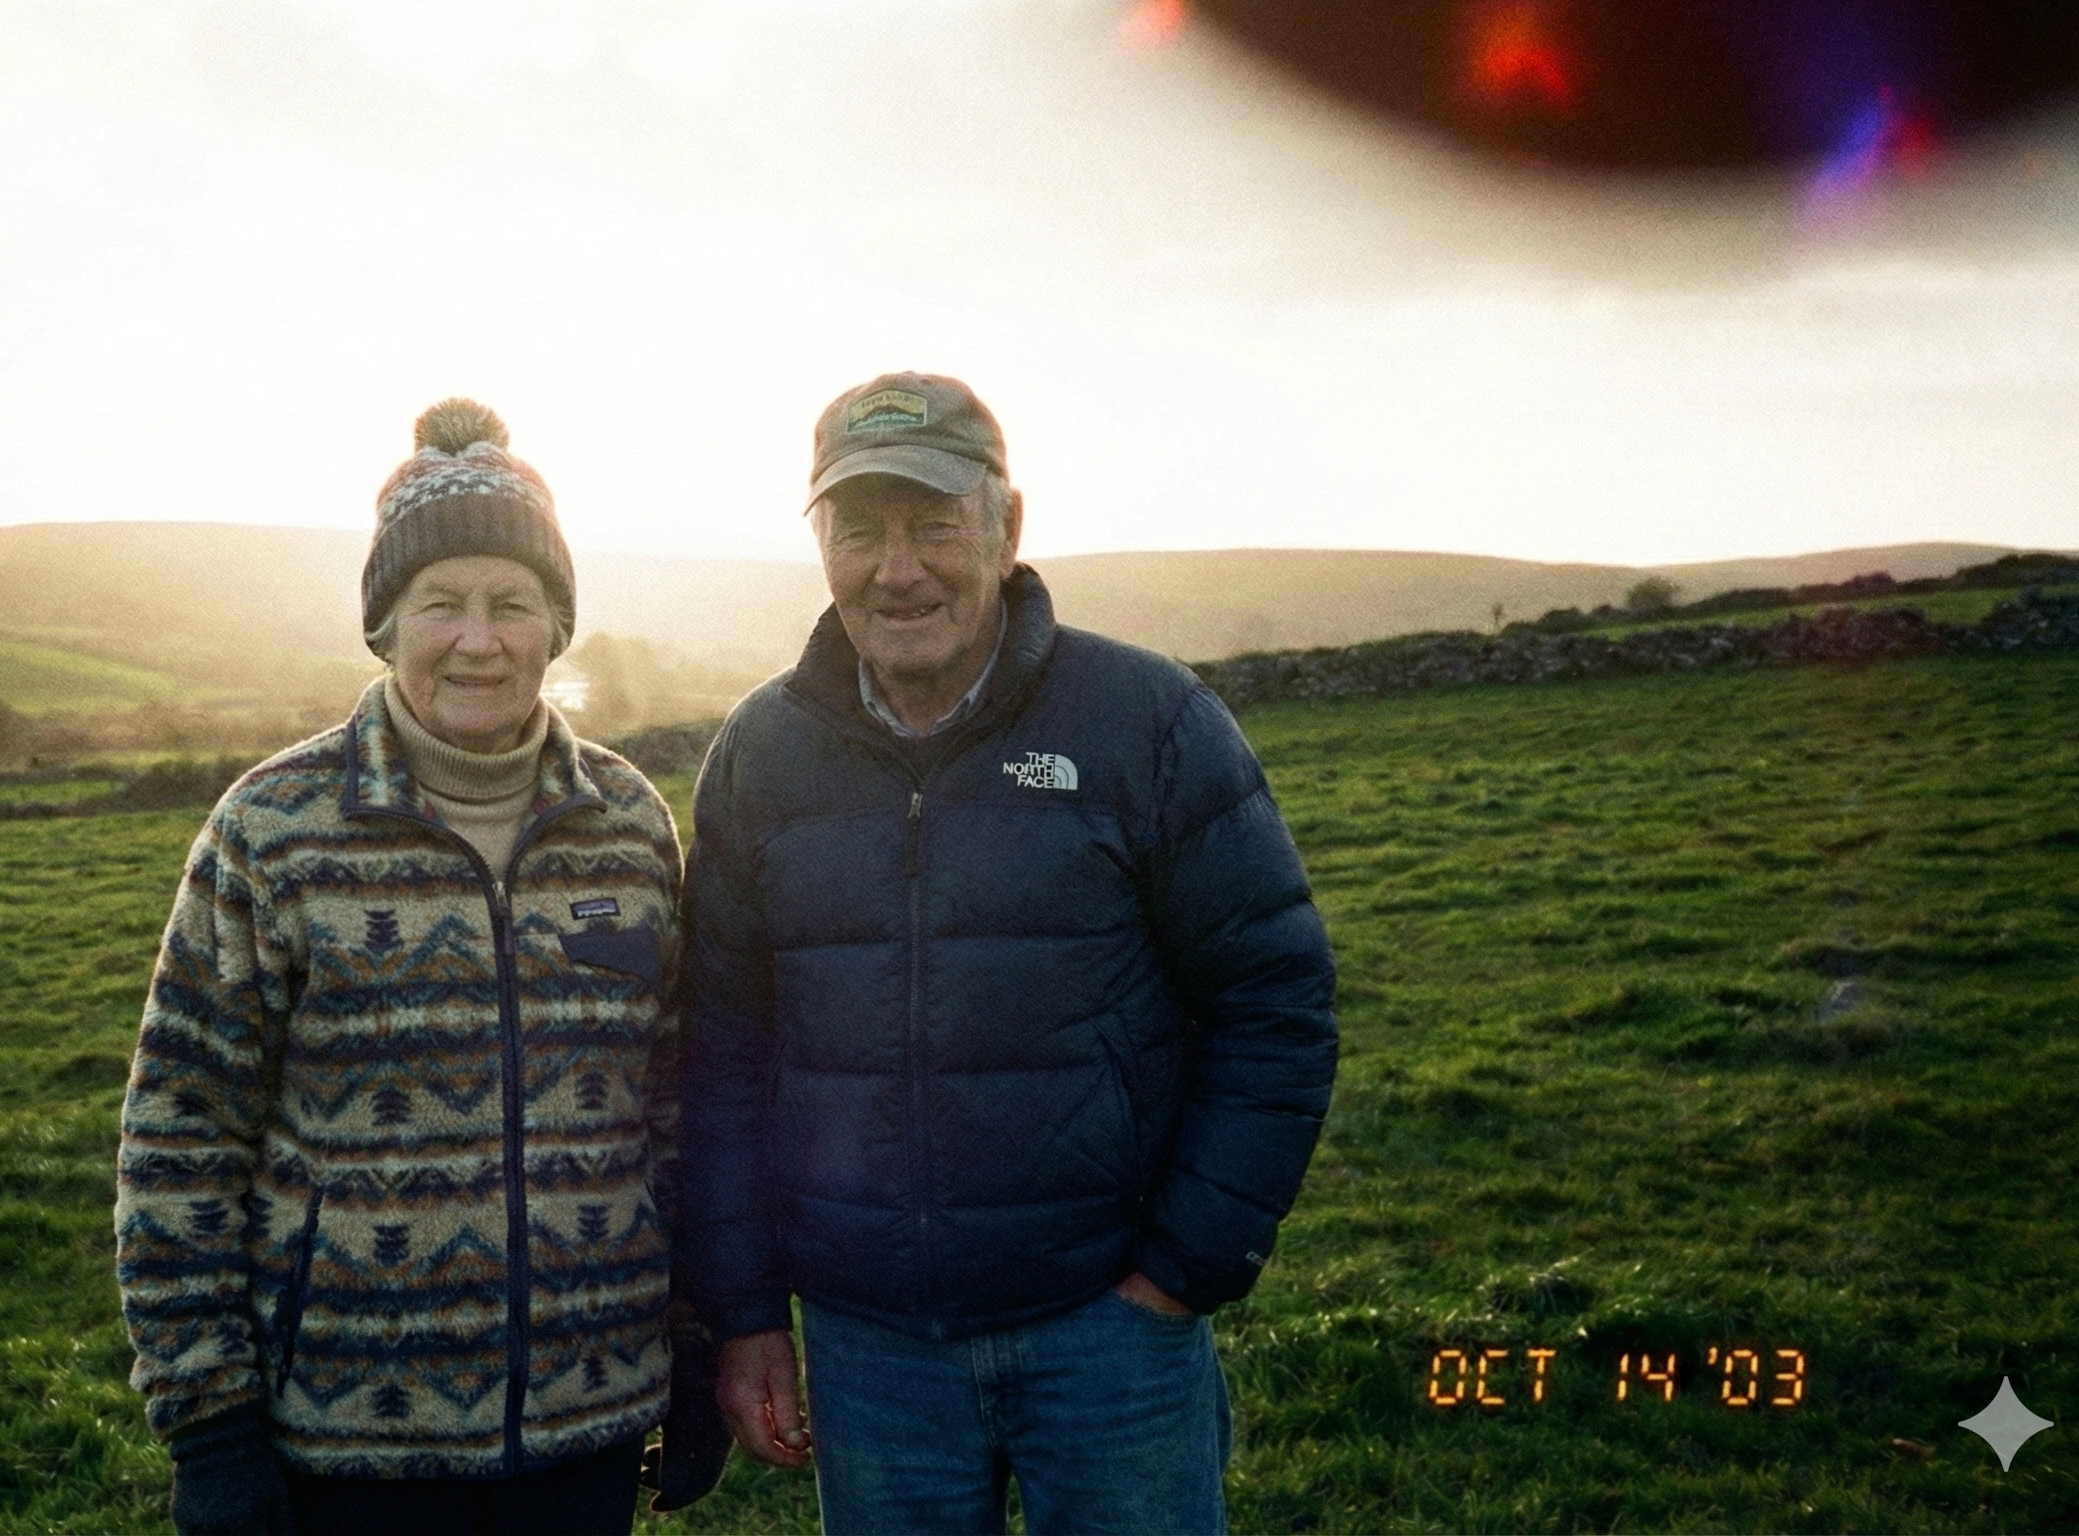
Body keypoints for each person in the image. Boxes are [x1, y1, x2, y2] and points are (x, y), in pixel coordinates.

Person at [676, 372, 1340, 1535]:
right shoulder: (759, 755)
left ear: (1005, 528)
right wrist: (742, 1315)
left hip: (1107, 1331)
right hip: (869, 1351)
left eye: (933, 525)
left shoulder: (1146, 721)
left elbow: (1270, 1004)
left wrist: (1182, 1268)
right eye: (858, 532)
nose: (898, 570)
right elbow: (723, 1054)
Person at [116, 400, 718, 1536]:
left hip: (586, 1426)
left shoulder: (630, 824)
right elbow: (180, 1141)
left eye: (512, 604)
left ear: (557, 626)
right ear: (384, 626)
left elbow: (674, 1105)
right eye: (440, 603)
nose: (478, 639)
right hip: (342, 1440)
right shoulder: (270, 831)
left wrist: (687, 1336)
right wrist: (210, 1427)